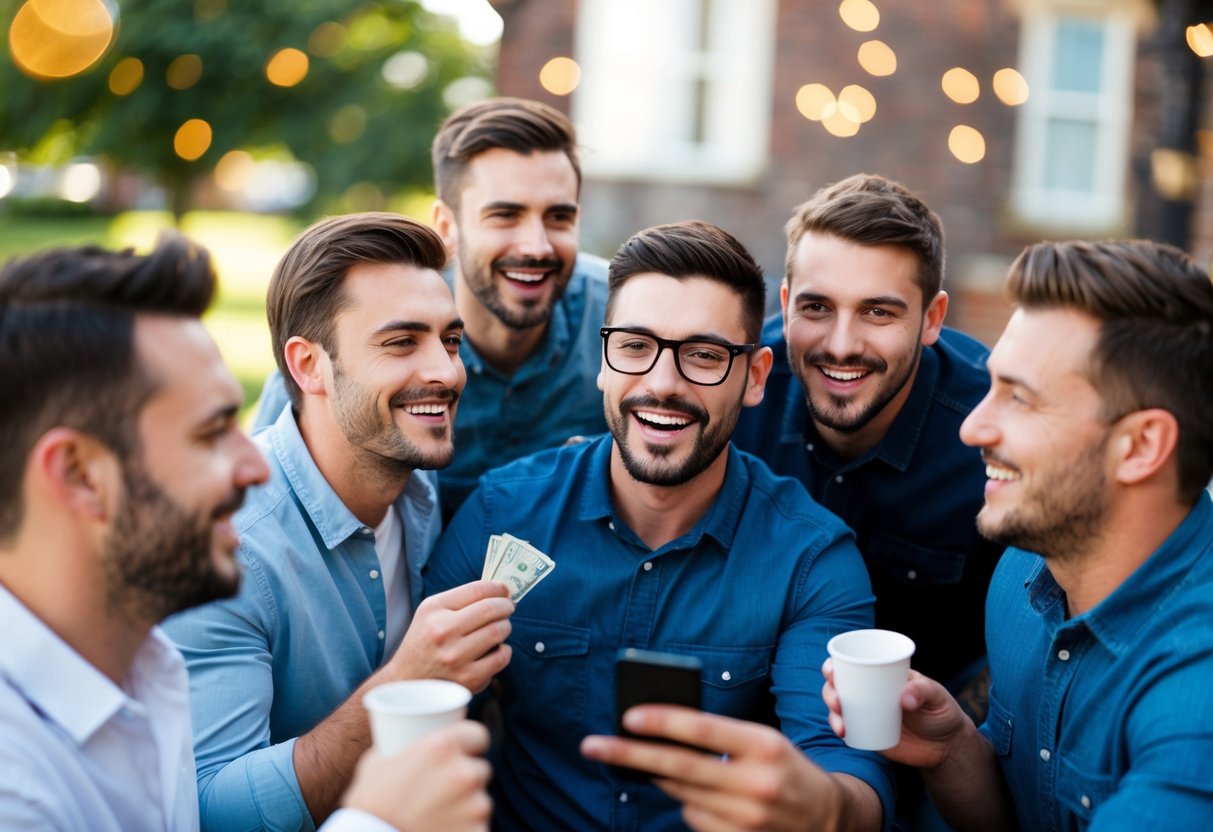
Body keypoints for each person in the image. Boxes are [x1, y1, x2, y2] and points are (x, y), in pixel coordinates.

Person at [0, 236, 494, 832]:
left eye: (451, 341)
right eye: (209, 433)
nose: (256, 464)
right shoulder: (19, 791)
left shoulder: (143, 668)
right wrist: (378, 813)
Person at [427, 221, 894, 830]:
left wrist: (826, 808)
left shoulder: (812, 559)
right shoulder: (501, 515)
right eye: (635, 346)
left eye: (703, 355)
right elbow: (425, 720)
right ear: (604, 359)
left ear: (754, 378)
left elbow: (848, 770)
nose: (662, 385)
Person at [825, 239, 1213, 830]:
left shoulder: (1196, 698)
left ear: (1140, 447)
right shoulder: (1020, 577)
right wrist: (953, 747)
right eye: (990, 389)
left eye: (1020, 399)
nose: (974, 427)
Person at [162, 214, 514, 830]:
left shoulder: (420, 486)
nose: (446, 371)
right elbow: (207, 807)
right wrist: (402, 686)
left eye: (450, 341)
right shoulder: (225, 550)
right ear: (307, 366)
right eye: (401, 342)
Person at [254, 97, 608, 521]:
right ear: (446, 227)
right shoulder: (363, 338)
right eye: (505, 215)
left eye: (558, 218)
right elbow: (262, 501)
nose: (537, 246)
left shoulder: (625, 327)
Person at [733, 173, 1001, 705]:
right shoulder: (732, 391)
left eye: (877, 312)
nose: (841, 344)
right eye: (817, 307)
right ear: (785, 303)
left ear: (932, 319)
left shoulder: (995, 434)